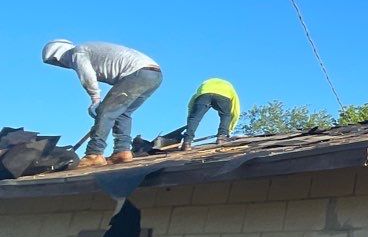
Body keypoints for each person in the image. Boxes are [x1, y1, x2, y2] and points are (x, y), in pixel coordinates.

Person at [41, 40, 163, 169]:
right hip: (155, 75)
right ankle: (122, 152)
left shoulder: (77, 52)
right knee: (122, 113)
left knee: (106, 111)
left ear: (56, 54)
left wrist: (95, 99)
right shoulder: (88, 50)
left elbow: (88, 76)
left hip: (138, 72)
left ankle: (94, 154)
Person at [183, 78, 241, 150]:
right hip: (224, 94)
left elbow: (191, 107)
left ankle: (187, 142)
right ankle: (222, 137)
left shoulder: (202, 89)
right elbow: (236, 112)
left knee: (195, 117)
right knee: (226, 115)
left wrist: (191, 118)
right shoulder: (231, 90)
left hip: (204, 92)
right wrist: (229, 130)